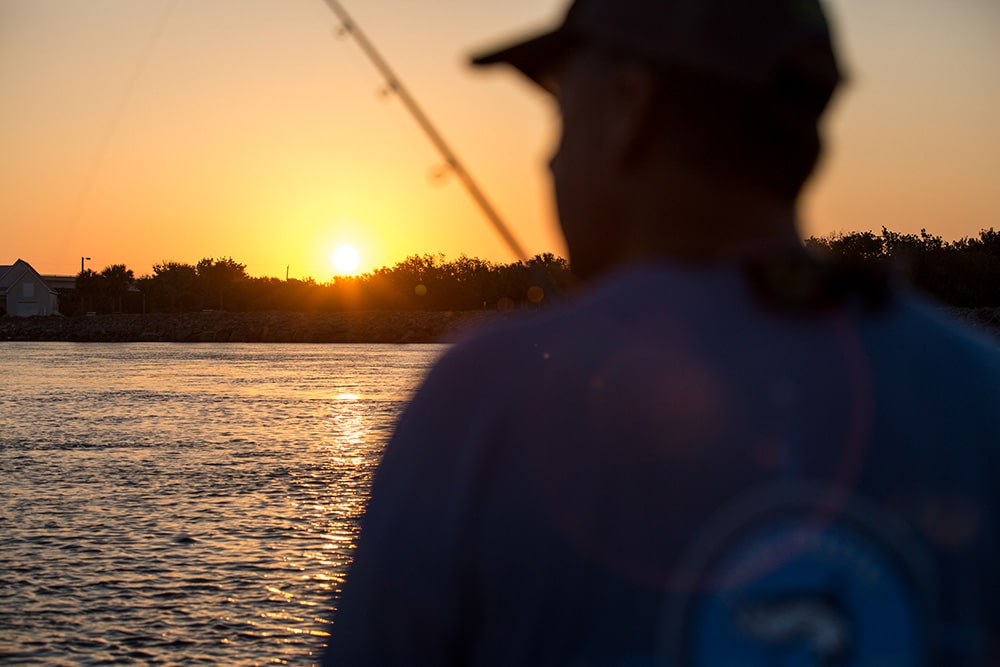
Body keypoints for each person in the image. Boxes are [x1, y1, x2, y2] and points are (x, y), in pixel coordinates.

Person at [324, 0, 1000, 663]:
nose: (550, 162)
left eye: (561, 117)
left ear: (627, 107)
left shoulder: (479, 400)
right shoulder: (981, 393)